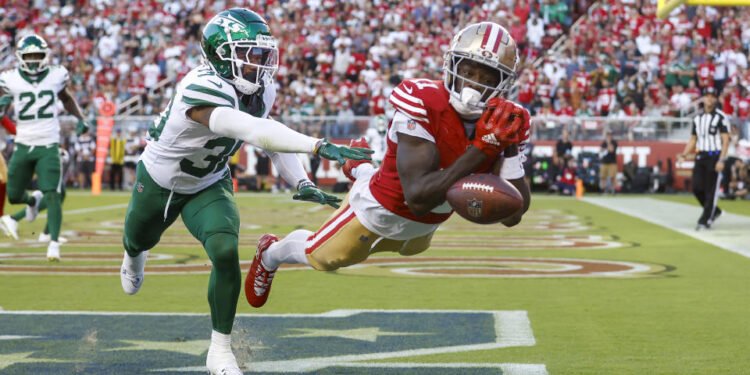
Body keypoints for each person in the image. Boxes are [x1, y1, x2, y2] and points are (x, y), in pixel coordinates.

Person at [117, 9, 371, 375]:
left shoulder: (260, 88)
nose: (260, 63)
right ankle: (133, 253)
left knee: (224, 250)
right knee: (137, 238)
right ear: (221, 54)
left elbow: (270, 141)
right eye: (250, 53)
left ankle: (220, 350)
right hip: (160, 181)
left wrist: (302, 182)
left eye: (262, 54)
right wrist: (317, 145)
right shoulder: (201, 86)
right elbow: (250, 130)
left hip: (209, 181)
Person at [245, 22, 531, 308]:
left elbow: (513, 214)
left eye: (487, 77)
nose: (474, 84)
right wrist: (483, 148)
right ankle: (271, 252)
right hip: (381, 206)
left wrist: (508, 146)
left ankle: (361, 169)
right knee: (327, 258)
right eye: (468, 71)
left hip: (425, 223)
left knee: (411, 249)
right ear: (452, 65)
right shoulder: (422, 100)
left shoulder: (507, 121)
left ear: (502, 84)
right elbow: (417, 198)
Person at [0, 34, 90, 261]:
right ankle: (32, 202)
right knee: (14, 196)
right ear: (21, 57)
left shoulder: (56, 75)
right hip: (23, 142)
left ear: (44, 56)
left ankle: (53, 245)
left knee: (53, 192)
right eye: (28, 55)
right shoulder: (9, 79)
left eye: (37, 55)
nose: (32, 60)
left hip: (48, 142)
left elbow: (67, 98)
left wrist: (81, 118)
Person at [678, 87, 730, 231]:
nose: (709, 99)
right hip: (700, 156)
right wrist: (684, 154)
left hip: (714, 156)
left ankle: (705, 220)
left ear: (716, 99)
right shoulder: (697, 118)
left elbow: (726, 140)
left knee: (711, 190)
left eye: (712, 96)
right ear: (703, 98)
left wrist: (722, 159)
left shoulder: (720, 117)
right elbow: (693, 139)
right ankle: (715, 212)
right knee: (696, 188)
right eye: (706, 96)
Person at [1, 148, 70, 243]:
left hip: (42, 148)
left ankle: (47, 233)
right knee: (15, 195)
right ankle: (14, 217)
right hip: (33, 149)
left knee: (57, 193)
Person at [599, 130, 618, 194]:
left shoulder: (614, 143)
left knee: (613, 177)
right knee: (603, 177)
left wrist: (608, 143)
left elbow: (611, 150)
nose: (609, 136)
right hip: (604, 162)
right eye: (608, 135)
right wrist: (606, 148)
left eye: (610, 135)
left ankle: (614, 190)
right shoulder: (603, 143)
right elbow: (601, 151)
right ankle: (603, 189)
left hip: (612, 162)